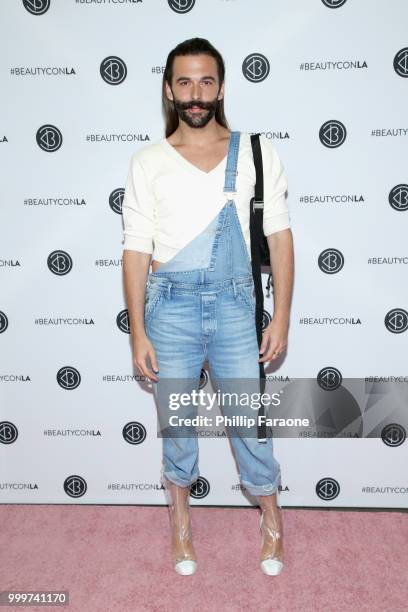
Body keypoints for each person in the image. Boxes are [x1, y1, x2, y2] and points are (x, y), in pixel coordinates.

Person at [122, 37, 294, 576]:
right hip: (168, 308)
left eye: (206, 81)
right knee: (178, 424)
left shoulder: (256, 152)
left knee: (248, 421)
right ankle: (179, 519)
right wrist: (138, 333)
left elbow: (281, 238)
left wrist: (281, 316)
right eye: (184, 82)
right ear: (169, 90)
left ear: (220, 87)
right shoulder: (148, 161)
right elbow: (135, 249)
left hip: (236, 307)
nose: (196, 94)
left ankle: (270, 517)